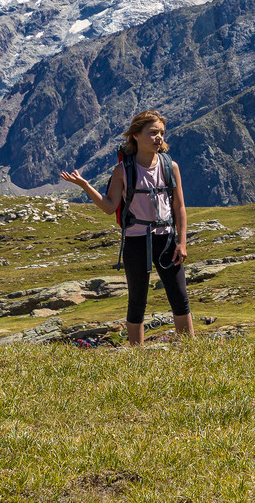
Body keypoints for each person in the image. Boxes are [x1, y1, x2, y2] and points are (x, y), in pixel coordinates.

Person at [60, 110, 194, 346]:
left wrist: (182, 243)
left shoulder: (170, 166)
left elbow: (179, 207)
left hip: (166, 239)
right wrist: (85, 186)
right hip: (136, 240)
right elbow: (109, 207)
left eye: (161, 133)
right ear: (135, 136)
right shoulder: (122, 171)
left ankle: (191, 348)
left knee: (180, 296)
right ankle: (137, 355)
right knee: (137, 301)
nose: (158, 138)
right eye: (152, 133)